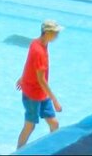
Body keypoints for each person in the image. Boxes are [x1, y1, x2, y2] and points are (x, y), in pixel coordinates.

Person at [16, 20, 63, 148]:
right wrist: (55, 100)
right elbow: (41, 80)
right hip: (32, 94)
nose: (57, 36)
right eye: (55, 33)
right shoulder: (39, 51)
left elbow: (29, 63)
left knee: (54, 124)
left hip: (40, 92)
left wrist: (23, 77)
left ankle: (52, 149)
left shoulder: (38, 42)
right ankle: (18, 152)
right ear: (47, 33)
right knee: (30, 126)